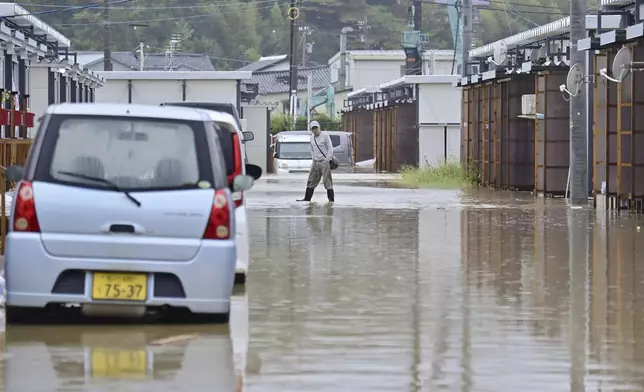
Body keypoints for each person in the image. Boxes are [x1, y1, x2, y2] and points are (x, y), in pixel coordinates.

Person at [297, 120, 334, 202]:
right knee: (311, 180)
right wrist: (313, 161)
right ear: (311, 130)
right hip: (315, 162)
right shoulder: (312, 138)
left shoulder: (325, 136)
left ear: (319, 127)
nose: (315, 130)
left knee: (327, 181)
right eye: (313, 128)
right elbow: (312, 150)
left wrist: (327, 159)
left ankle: (331, 201)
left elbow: (330, 148)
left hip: (324, 162)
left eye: (316, 128)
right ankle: (307, 199)